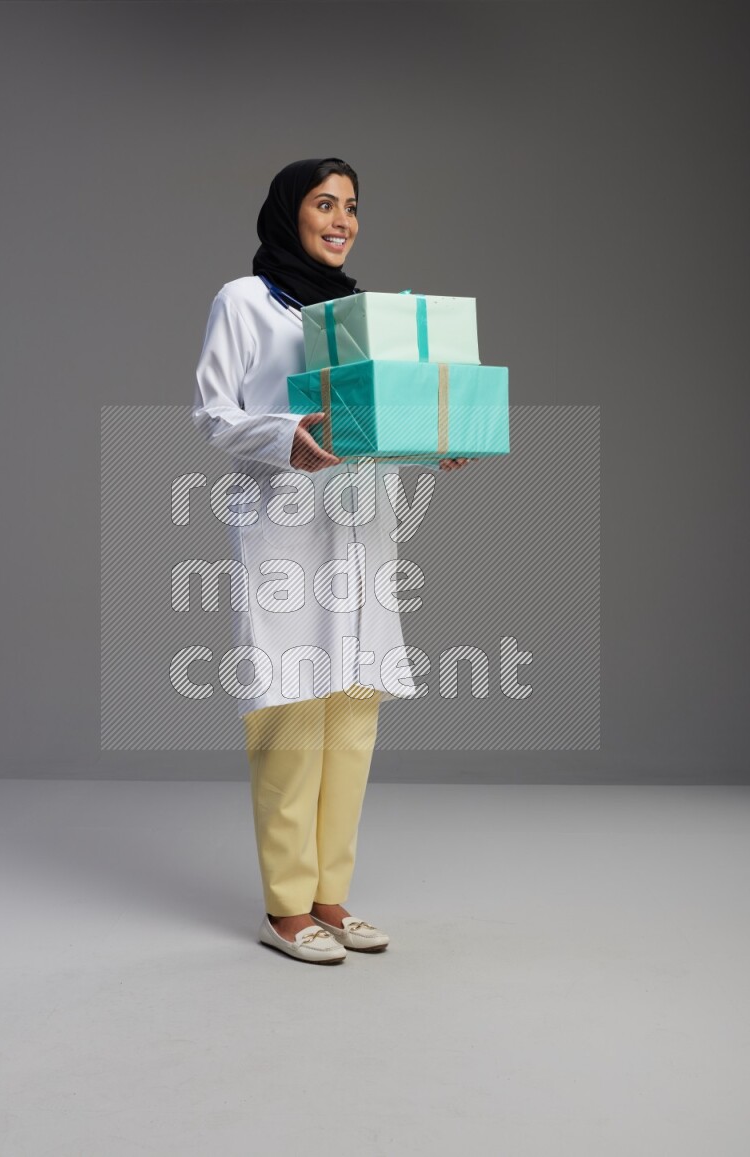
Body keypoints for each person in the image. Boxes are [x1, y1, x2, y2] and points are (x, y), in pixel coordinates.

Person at [192, 157, 470, 965]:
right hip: (284, 527)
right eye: (324, 203)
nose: (341, 218)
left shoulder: (362, 316)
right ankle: (284, 908)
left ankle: (330, 897)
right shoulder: (243, 302)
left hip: (361, 526)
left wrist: (434, 445)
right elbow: (212, 412)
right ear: (291, 212)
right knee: (288, 712)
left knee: (352, 713)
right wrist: (286, 440)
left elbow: (375, 420)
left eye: (351, 205)